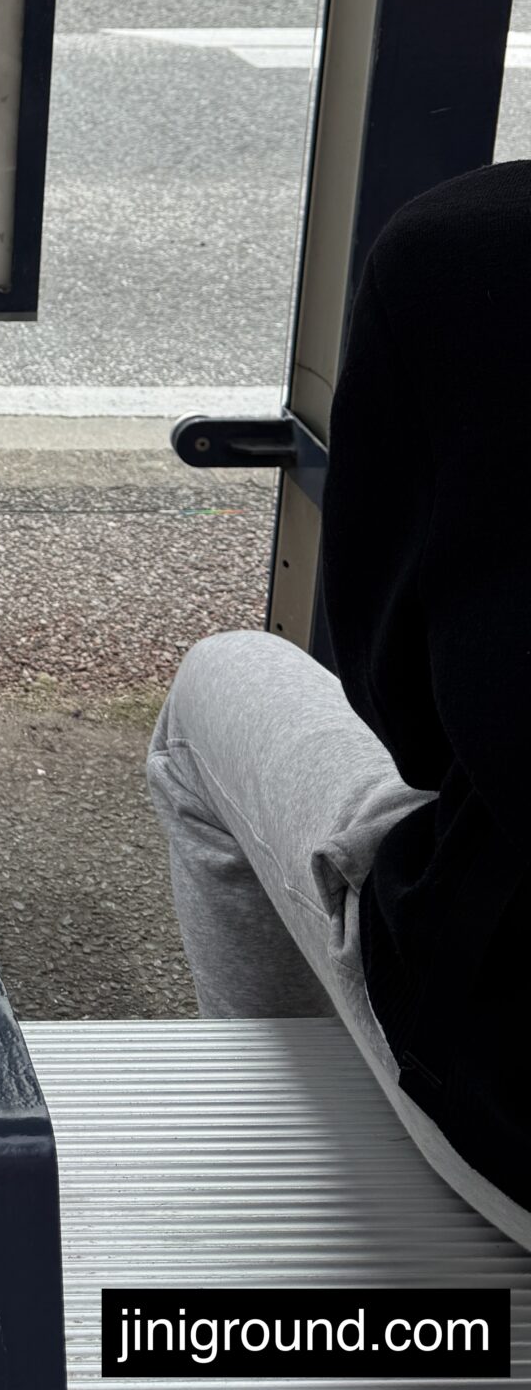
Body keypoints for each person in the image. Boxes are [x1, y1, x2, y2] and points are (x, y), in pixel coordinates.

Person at [148, 161, 531, 1248]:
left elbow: (411, 725)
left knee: (216, 686)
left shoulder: (475, 249)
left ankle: (290, 1160)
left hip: (511, 1094)